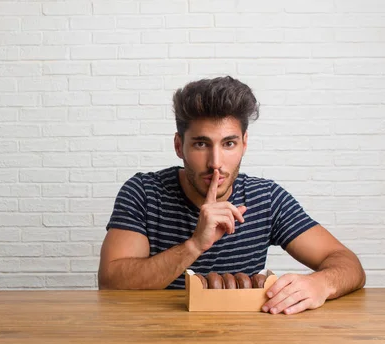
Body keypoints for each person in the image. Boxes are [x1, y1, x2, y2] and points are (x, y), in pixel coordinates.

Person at [98, 76, 366, 315]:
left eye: (229, 144)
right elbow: (111, 282)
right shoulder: (143, 193)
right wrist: (194, 245)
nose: (216, 162)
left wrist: (320, 284)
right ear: (179, 146)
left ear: (244, 144)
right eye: (201, 144)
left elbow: (349, 264)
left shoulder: (266, 198)